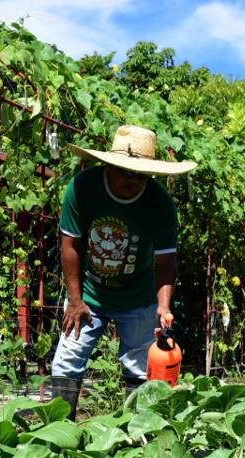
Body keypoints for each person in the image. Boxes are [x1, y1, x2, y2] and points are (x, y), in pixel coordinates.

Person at [50, 125, 196, 419]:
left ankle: (136, 436)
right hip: (89, 294)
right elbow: (70, 246)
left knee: (140, 366)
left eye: (140, 174)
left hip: (139, 296)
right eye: (125, 171)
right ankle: (57, 435)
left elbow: (166, 262)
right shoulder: (82, 188)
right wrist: (75, 300)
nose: (132, 180)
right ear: (109, 164)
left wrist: (163, 307)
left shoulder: (160, 204)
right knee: (67, 360)